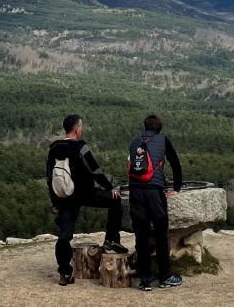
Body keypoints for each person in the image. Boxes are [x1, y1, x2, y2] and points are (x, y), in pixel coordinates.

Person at [45, 114, 128, 286]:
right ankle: (111, 241)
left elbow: (50, 177)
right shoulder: (81, 147)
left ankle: (64, 272)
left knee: (64, 235)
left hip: (65, 197)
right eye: (81, 127)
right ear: (77, 129)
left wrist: (55, 201)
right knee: (114, 201)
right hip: (87, 193)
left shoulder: (54, 147)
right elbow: (95, 170)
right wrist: (109, 188)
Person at [127, 114, 184, 291]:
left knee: (141, 235)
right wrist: (177, 187)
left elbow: (129, 165)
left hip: (135, 191)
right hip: (154, 191)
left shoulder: (134, 142)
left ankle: (145, 280)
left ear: (145, 127)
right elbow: (175, 163)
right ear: (159, 128)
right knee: (160, 233)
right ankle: (165, 275)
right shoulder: (163, 139)